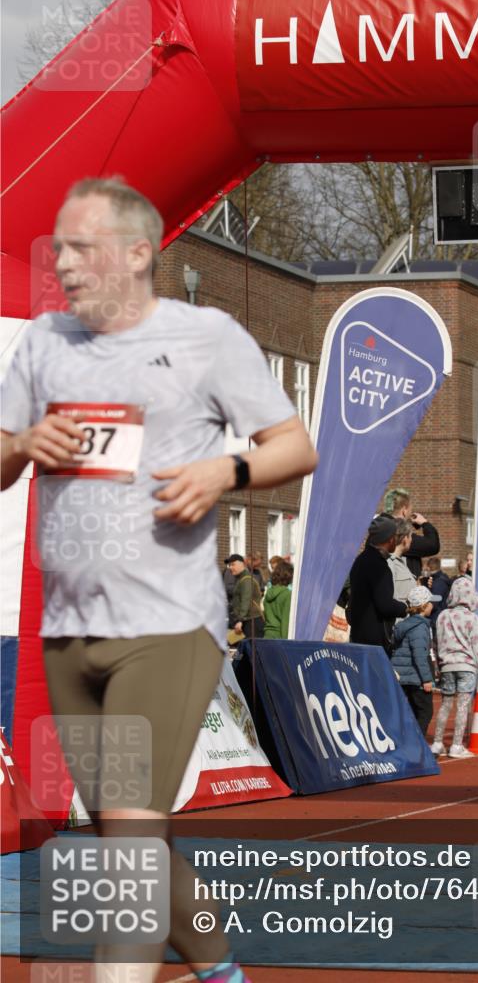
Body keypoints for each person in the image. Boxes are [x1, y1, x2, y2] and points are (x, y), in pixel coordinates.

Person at [0, 177, 318, 983]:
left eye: (82, 247)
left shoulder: (207, 335)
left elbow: (294, 444)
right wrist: (26, 443)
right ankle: (220, 966)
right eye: (58, 247)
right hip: (70, 632)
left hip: (170, 626)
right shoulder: (41, 344)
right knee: (122, 833)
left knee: (130, 843)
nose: (62, 263)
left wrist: (225, 469)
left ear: (137, 254)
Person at [431, 576, 478, 759]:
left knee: (445, 704)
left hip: (447, 665)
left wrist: (438, 666)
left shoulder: (442, 616)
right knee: (463, 705)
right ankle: (456, 745)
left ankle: (437, 742)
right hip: (467, 666)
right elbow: (477, 646)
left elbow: (436, 642)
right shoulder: (472, 618)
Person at [348, 516, 408, 655]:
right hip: (374, 641)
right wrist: (404, 607)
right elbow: (385, 605)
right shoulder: (378, 566)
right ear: (390, 539)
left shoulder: (361, 560)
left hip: (358, 635)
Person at [392, 586, 440, 735]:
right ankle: (417, 746)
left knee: (412, 711)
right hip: (415, 678)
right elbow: (420, 655)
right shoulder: (420, 627)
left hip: (403, 676)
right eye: (431, 602)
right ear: (424, 606)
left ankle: (411, 744)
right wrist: (426, 679)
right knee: (425, 712)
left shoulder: (405, 625)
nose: (434, 605)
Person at [378, 487, 440, 578]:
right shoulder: (399, 533)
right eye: (410, 509)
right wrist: (424, 523)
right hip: (403, 588)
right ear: (404, 510)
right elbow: (433, 545)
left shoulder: (379, 529)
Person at [226, 554, 265, 639]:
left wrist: (240, 620)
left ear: (242, 564)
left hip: (251, 622)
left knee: (252, 650)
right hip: (247, 621)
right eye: (229, 565)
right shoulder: (240, 579)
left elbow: (245, 600)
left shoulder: (246, 579)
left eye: (233, 564)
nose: (230, 567)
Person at [262, 559, 293, 639]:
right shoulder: (287, 594)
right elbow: (285, 622)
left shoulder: (268, 592)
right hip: (279, 637)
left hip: (267, 635)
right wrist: (286, 643)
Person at [388, 519, 417, 602]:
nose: (411, 540)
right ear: (405, 538)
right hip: (398, 614)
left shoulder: (401, 562)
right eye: (411, 536)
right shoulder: (389, 563)